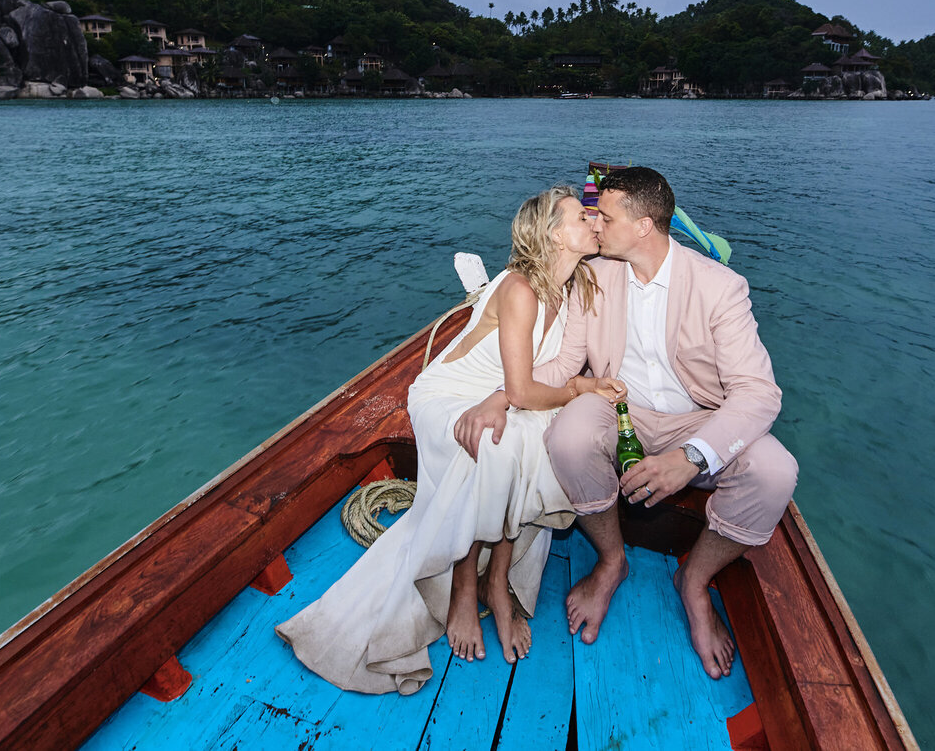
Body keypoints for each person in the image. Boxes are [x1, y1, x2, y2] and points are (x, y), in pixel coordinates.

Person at [276, 185, 622, 694]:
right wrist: (580, 388)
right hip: (447, 397)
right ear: (552, 235)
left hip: (495, 396)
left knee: (534, 439)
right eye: (581, 218)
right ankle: (465, 586)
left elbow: (533, 385)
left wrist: (555, 391)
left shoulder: (572, 287)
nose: (595, 224)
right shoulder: (521, 289)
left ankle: (497, 582)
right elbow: (526, 390)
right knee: (500, 444)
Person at [539, 166, 797, 679]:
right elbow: (567, 364)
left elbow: (758, 393)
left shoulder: (720, 287)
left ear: (642, 226)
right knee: (568, 437)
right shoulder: (594, 275)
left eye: (604, 217)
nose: (594, 226)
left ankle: (695, 580)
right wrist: (494, 388)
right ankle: (611, 560)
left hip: (698, 420)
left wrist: (691, 456)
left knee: (775, 472)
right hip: (619, 404)